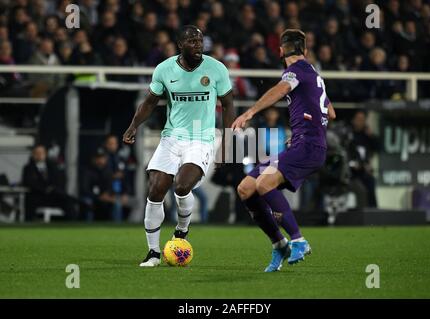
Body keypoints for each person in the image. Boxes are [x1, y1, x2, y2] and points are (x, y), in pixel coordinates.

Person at [122, 25, 235, 267]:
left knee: (182, 186)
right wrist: (133, 126)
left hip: (202, 138)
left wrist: (226, 143)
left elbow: (228, 105)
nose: (198, 45)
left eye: (200, 41)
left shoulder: (216, 69)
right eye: (192, 41)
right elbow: (150, 102)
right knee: (155, 191)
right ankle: (153, 253)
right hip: (172, 137)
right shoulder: (164, 69)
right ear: (180, 45)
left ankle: (181, 230)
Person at [231, 29, 336, 272]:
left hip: (308, 146)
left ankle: (299, 240)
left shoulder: (295, 71)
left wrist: (250, 112)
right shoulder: (314, 75)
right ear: (305, 50)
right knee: (246, 188)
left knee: (264, 184)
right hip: (304, 143)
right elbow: (331, 112)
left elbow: (281, 89)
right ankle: (280, 244)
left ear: (280, 51)